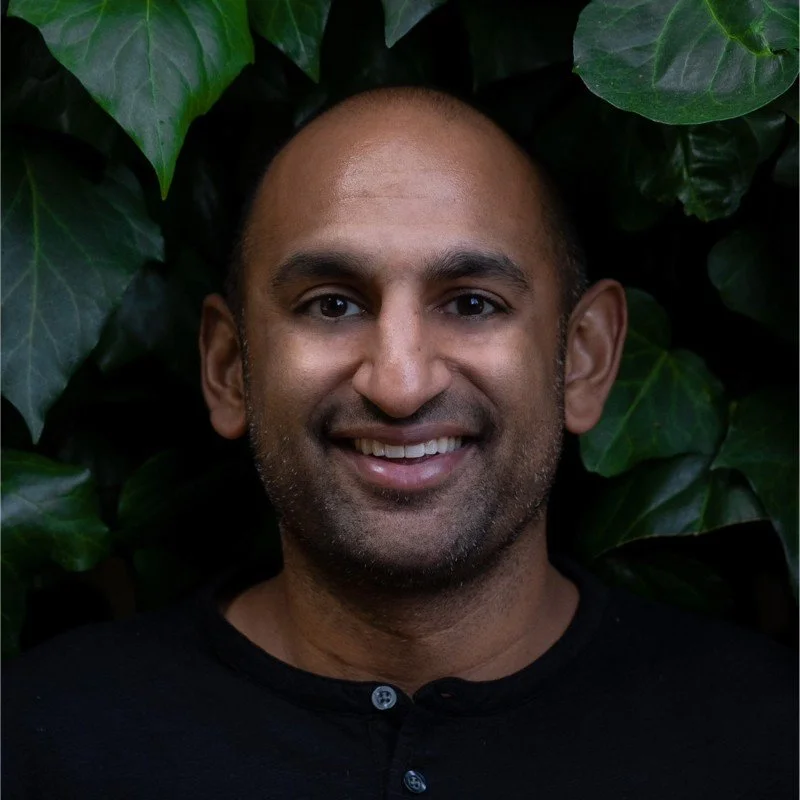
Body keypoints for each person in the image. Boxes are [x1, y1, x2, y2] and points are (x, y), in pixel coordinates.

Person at [3, 87, 796, 800]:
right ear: (230, 367)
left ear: (582, 359)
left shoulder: (768, 743)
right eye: (332, 305)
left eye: (474, 303)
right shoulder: (41, 743)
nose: (401, 382)